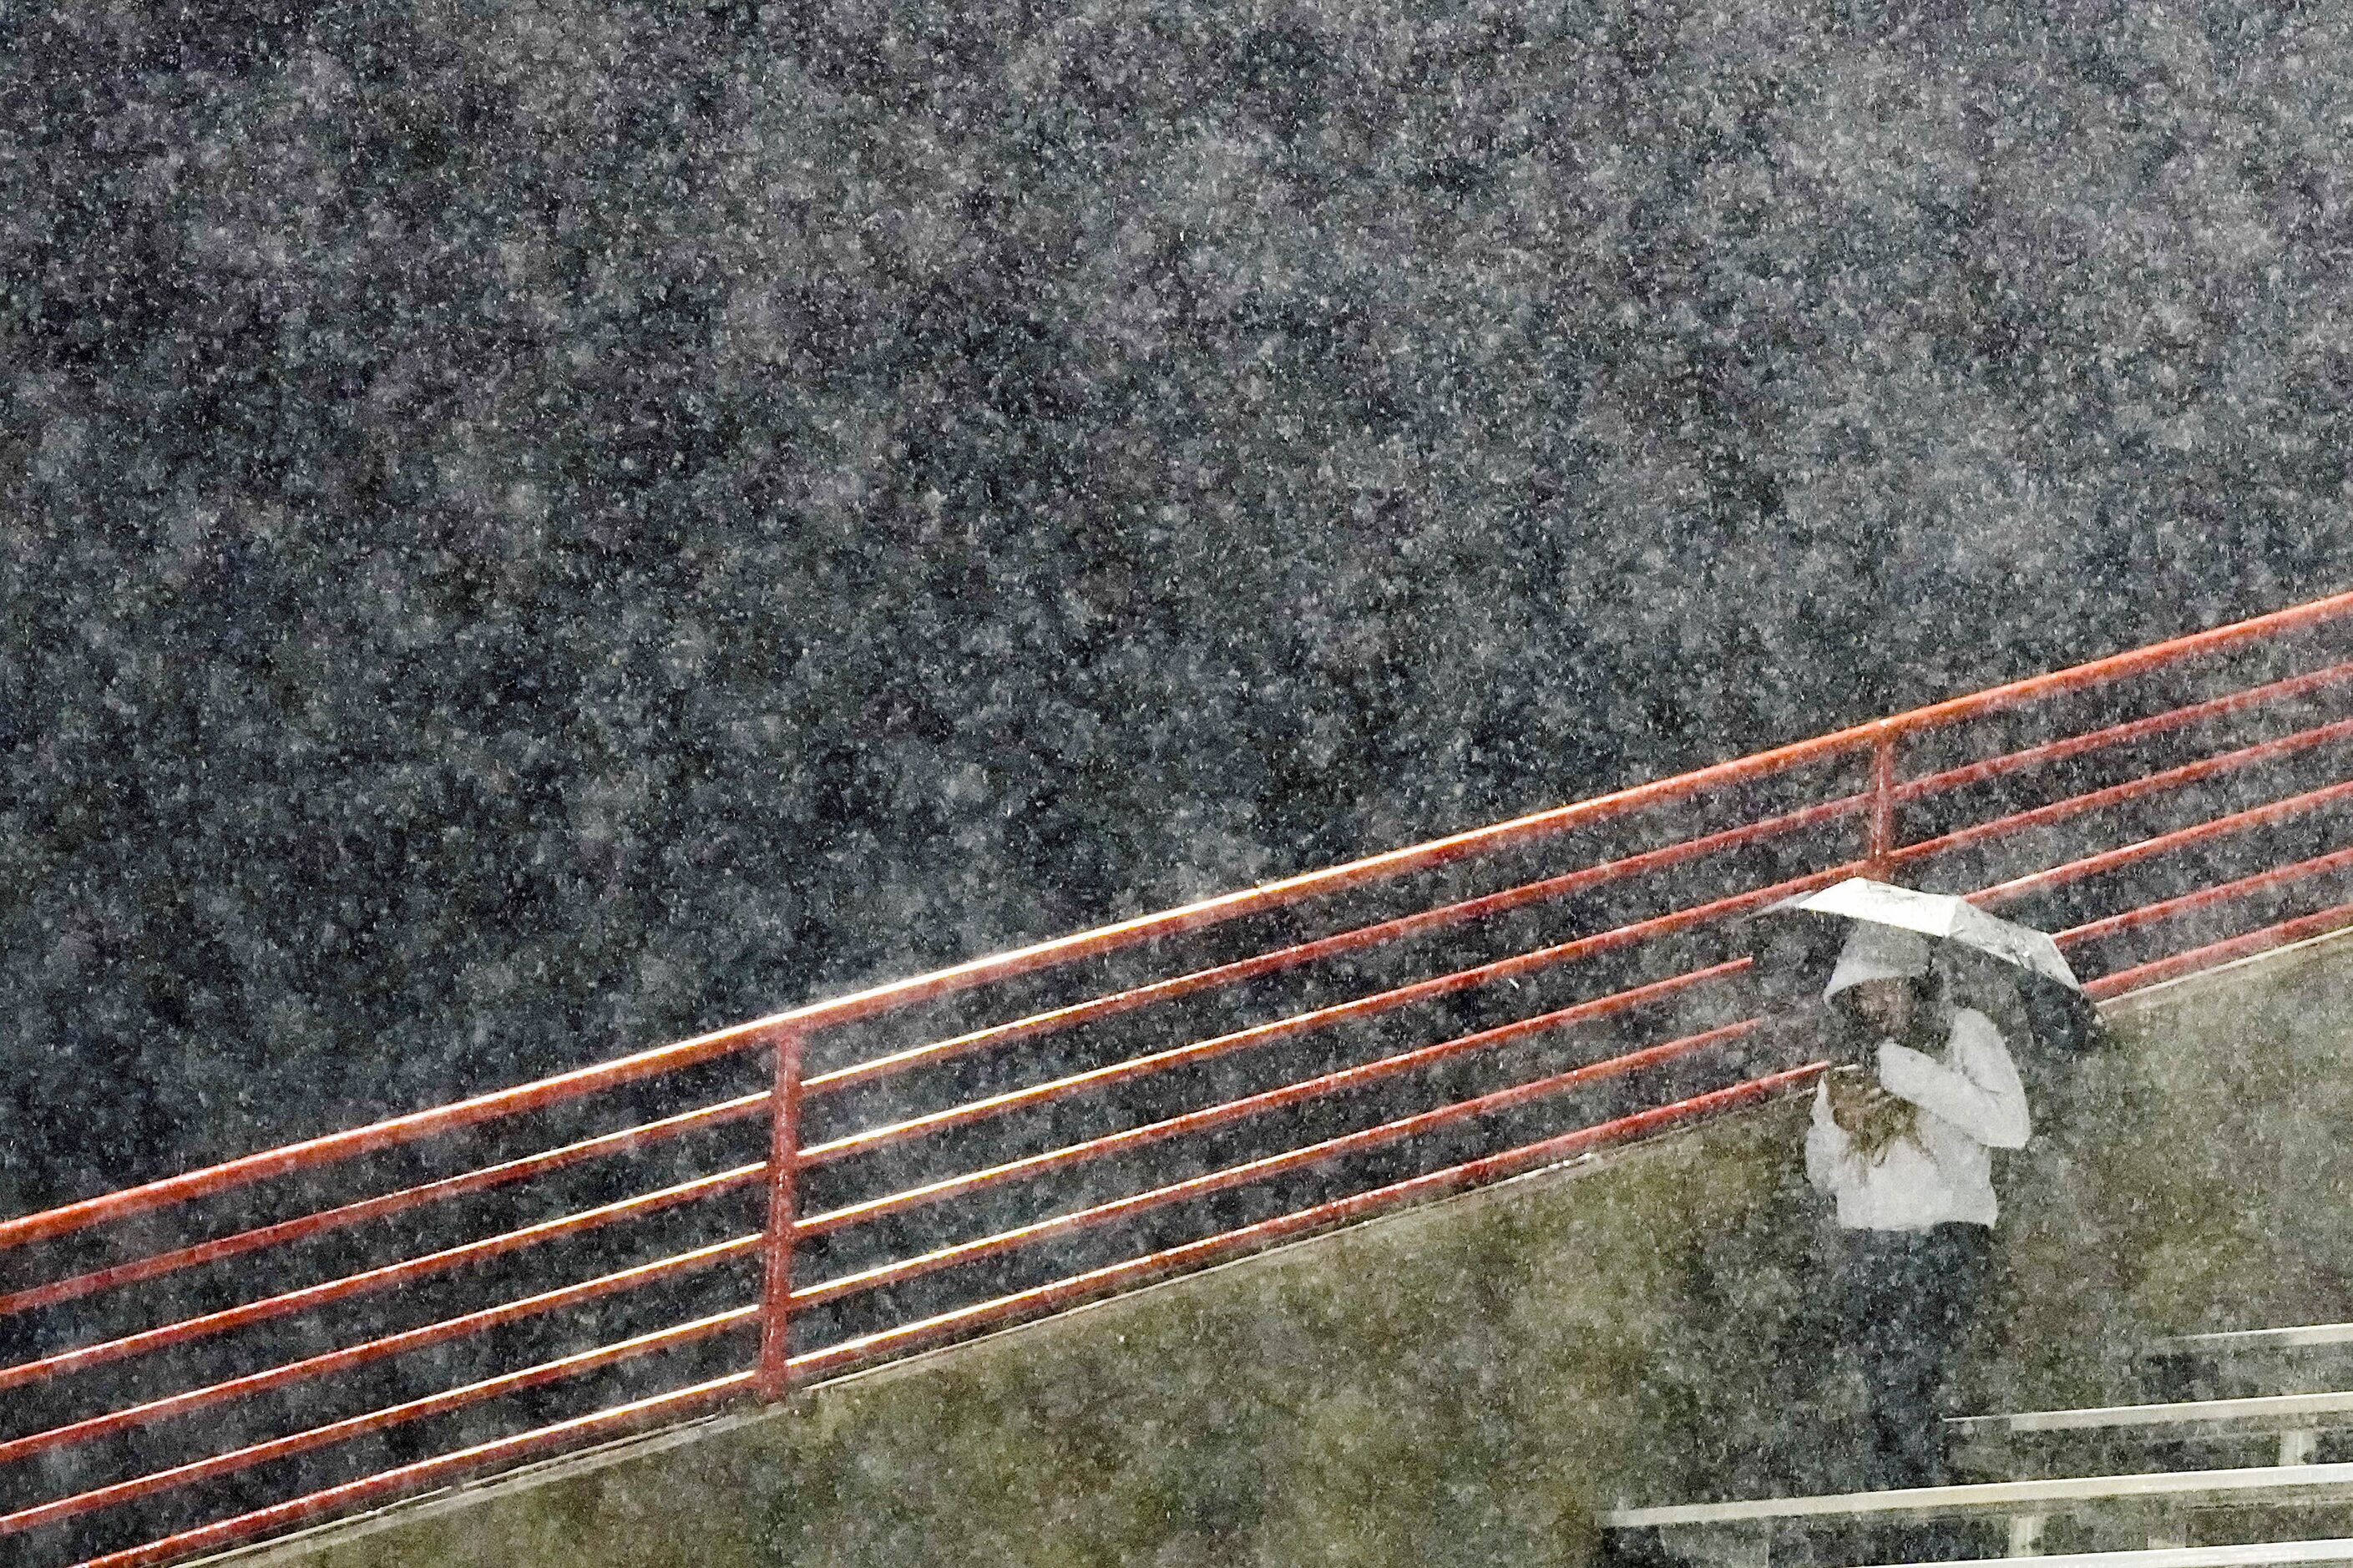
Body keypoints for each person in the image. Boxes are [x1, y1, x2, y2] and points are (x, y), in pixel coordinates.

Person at [1805, 921, 2032, 1493]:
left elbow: (2011, 1127)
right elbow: (1822, 1174)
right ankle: (1911, 1499)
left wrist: (1917, 1079)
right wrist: (1840, 1123)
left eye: (1887, 987)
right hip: (1871, 1247)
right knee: (1887, 1386)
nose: (1875, 1002)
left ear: (1915, 985)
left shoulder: (1964, 1034)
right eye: (1863, 992)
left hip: (1945, 1240)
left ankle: (1921, 1497)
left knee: (1908, 1376)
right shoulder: (1850, 1064)